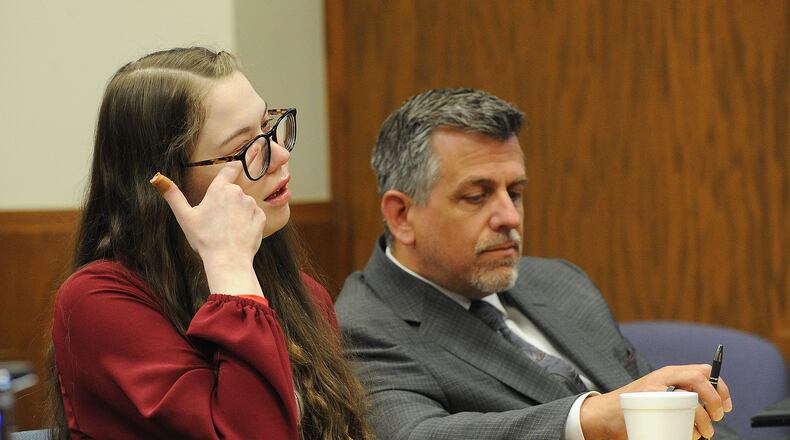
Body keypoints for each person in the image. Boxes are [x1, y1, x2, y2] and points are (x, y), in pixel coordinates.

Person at [334, 88, 739, 439]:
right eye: (477, 196)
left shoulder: (560, 282)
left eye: (515, 192)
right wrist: (587, 419)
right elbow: (415, 434)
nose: (509, 217)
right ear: (402, 215)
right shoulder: (361, 327)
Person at [49, 47, 371, 439]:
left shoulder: (305, 295)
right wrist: (231, 271)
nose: (281, 155)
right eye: (242, 148)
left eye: (268, 126)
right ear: (163, 181)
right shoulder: (96, 301)